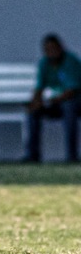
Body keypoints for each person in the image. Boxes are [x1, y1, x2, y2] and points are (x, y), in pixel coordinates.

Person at [24, 34, 80, 163]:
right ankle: (33, 155)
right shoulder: (44, 64)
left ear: (61, 47)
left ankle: (72, 156)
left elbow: (72, 90)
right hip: (53, 104)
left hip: (72, 103)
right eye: (48, 50)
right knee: (33, 112)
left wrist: (50, 101)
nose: (52, 52)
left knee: (69, 108)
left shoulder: (71, 61)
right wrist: (36, 102)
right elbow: (39, 87)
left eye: (54, 49)